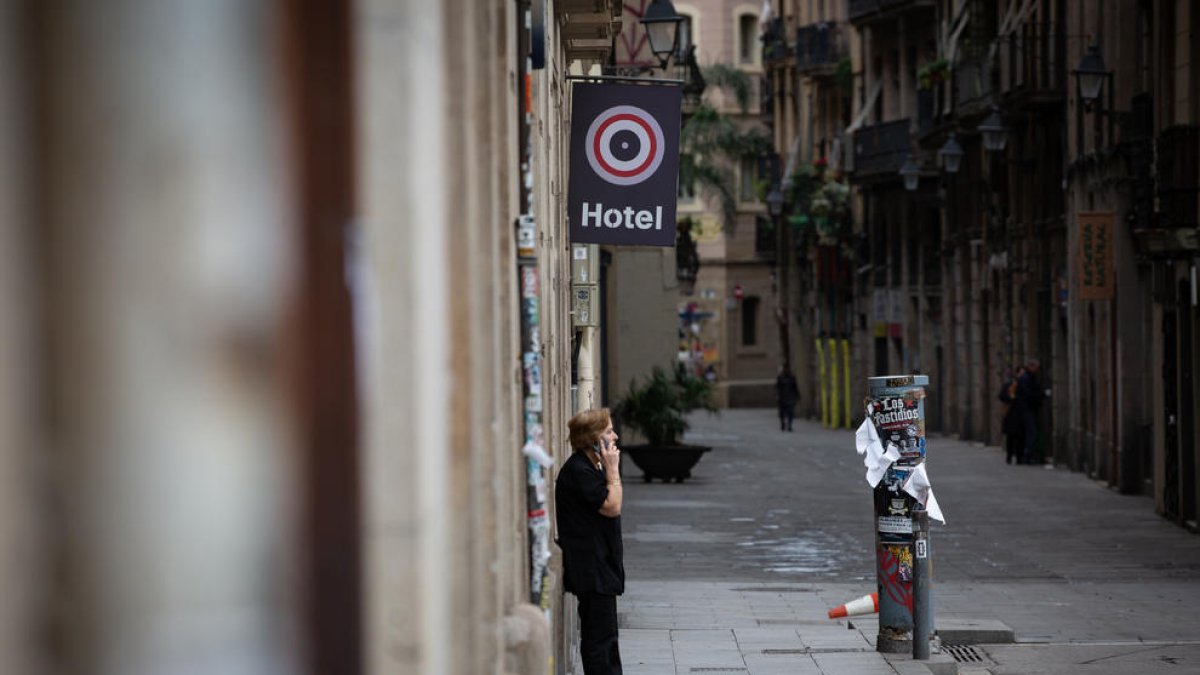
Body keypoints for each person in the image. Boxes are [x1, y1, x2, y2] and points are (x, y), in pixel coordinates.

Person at [555, 408, 624, 675]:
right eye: (608, 431)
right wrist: (613, 471)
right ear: (593, 438)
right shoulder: (579, 471)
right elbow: (612, 506)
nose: (615, 437)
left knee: (608, 644)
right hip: (592, 571)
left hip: (601, 569)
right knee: (600, 644)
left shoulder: (589, 468)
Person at [1016, 359, 1044, 464]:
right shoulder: (1026, 378)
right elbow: (1027, 394)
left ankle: (1028, 455)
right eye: (1036, 367)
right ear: (1031, 367)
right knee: (1032, 432)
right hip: (1027, 409)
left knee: (1031, 432)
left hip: (1029, 408)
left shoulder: (1028, 377)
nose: (1037, 370)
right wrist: (1041, 395)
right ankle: (1027, 455)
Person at [998, 367, 1024, 464]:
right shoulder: (1009, 384)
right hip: (1011, 413)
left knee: (1019, 437)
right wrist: (1010, 398)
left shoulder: (1022, 384)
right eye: (1020, 373)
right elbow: (1001, 396)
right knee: (1011, 437)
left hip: (1019, 414)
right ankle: (1010, 456)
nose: (1022, 375)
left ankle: (1018, 457)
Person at [775, 365, 799, 431]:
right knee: (782, 413)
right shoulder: (780, 378)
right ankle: (783, 423)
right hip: (782, 398)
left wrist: (797, 396)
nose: (787, 370)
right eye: (786, 369)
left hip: (790, 397)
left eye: (788, 369)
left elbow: (795, 387)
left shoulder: (792, 378)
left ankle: (789, 425)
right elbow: (777, 388)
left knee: (790, 412)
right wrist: (777, 396)